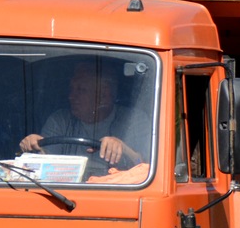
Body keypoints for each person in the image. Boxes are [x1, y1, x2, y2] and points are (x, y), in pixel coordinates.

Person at [18, 61, 151, 169]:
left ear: (103, 96)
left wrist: (123, 148)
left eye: (81, 90)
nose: (71, 96)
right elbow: (45, 165)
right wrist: (34, 147)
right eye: (72, 89)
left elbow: (145, 165)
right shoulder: (60, 120)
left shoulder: (135, 121)